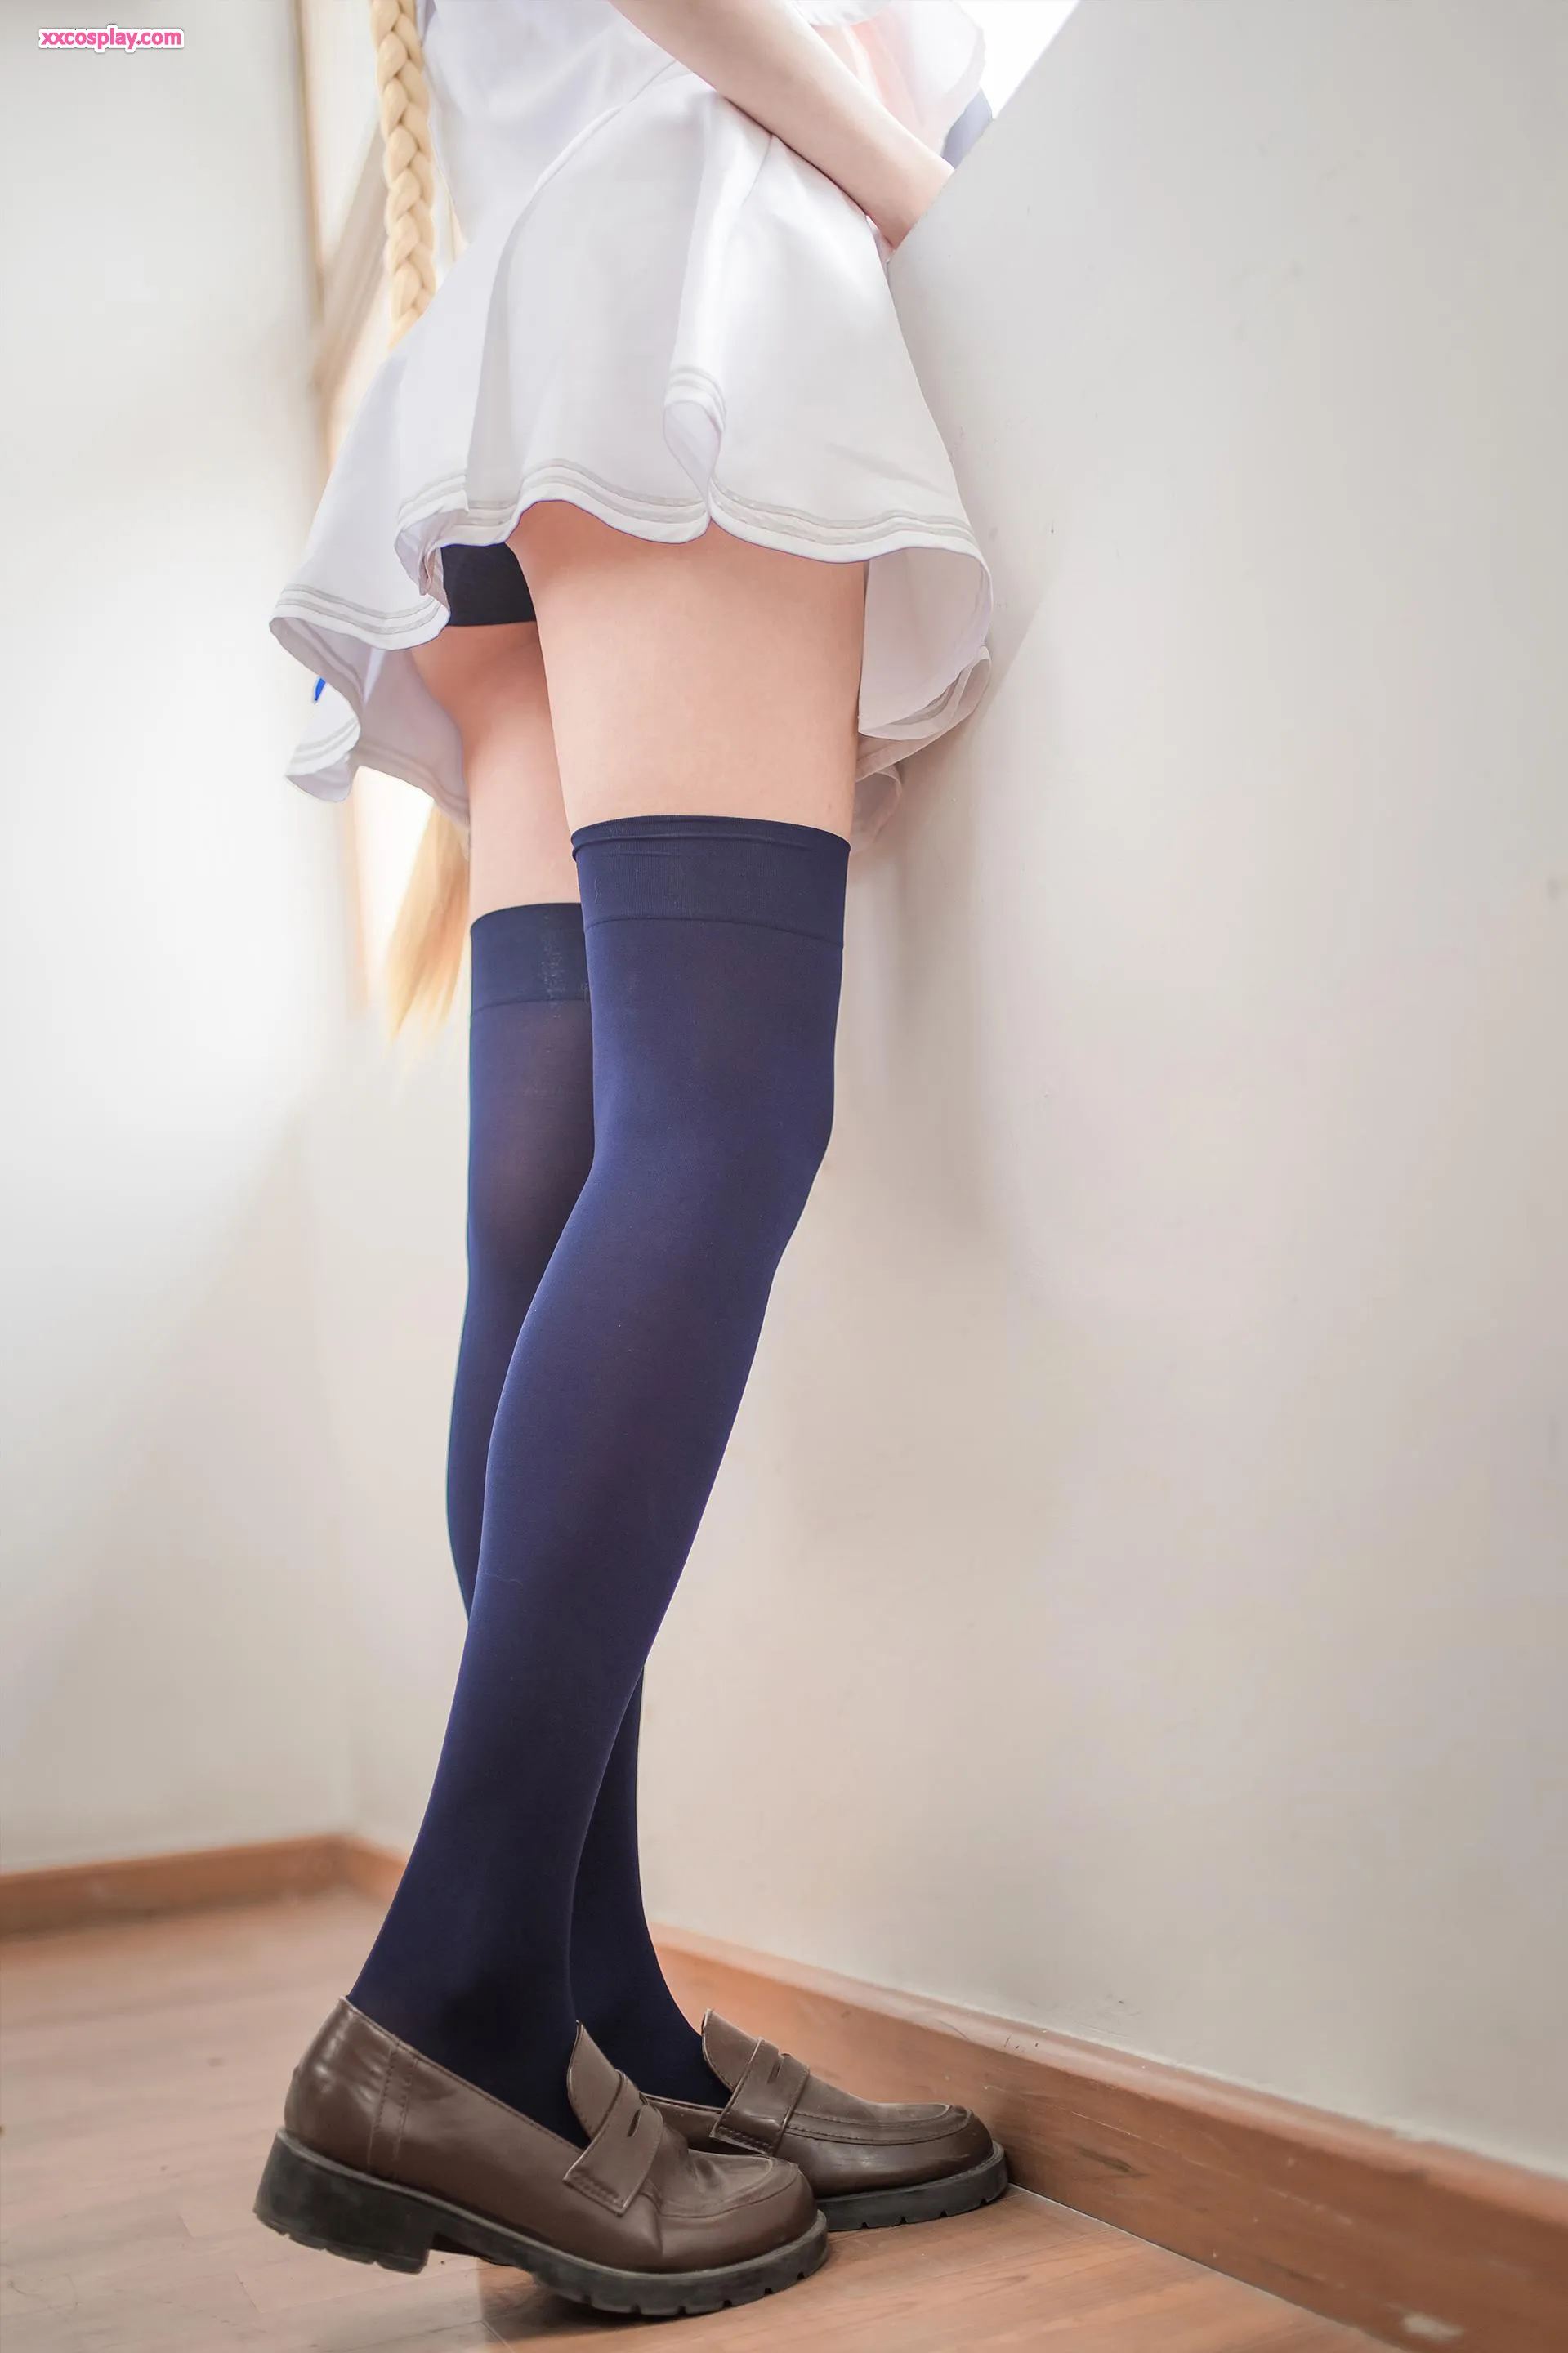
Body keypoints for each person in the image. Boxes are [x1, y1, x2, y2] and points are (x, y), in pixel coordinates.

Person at [257, 0, 1001, 2316]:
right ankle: (458, 2004)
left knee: (563, 1190)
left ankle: (600, 2028)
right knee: (721, 1112)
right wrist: (913, 188)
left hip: (535, 351)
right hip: (688, 294)